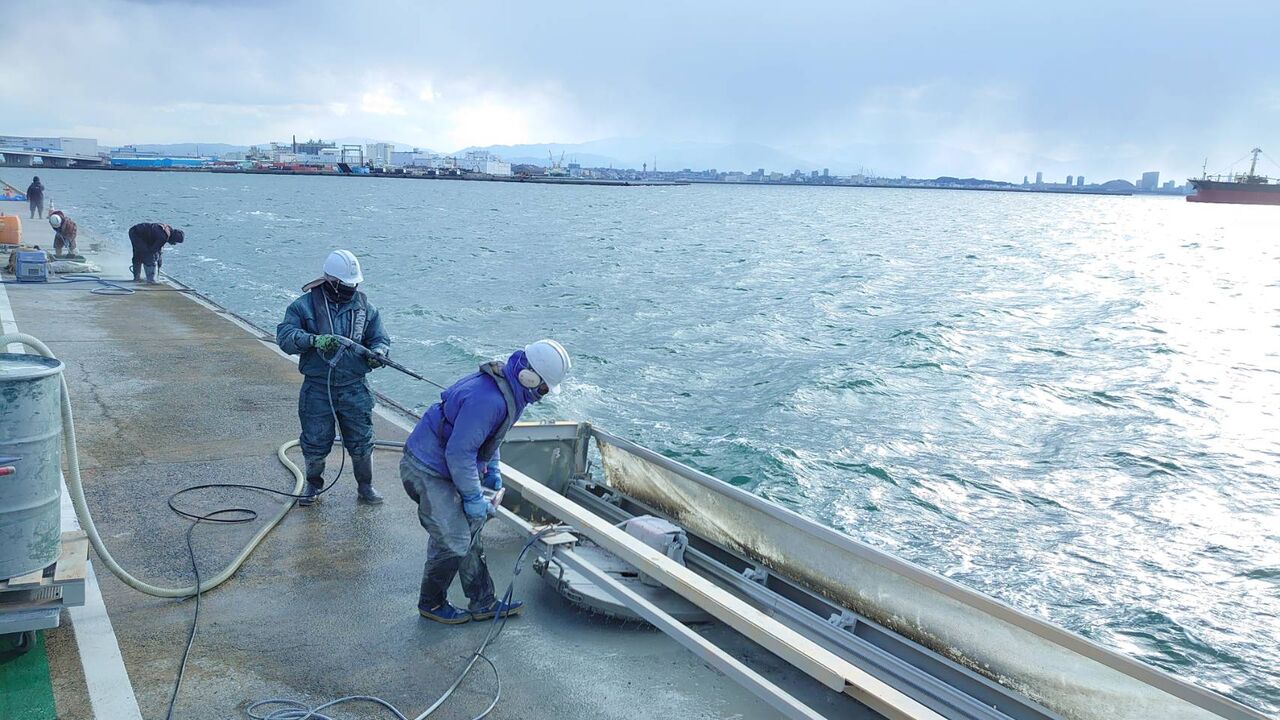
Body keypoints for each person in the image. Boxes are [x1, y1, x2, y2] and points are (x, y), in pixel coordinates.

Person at [402, 339, 571, 624]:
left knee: (469, 531)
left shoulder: (512, 392)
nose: (542, 396)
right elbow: (459, 453)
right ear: (529, 376)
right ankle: (431, 604)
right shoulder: (489, 400)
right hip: (425, 469)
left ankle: (483, 601)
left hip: (446, 467)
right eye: (543, 389)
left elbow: (490, 438)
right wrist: (471, 497)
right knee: (454, 540)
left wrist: (492, 468)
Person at [276, 249, 391, 506]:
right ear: (331, 281)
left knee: (361, 440)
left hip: (355, 387)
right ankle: (313, 484)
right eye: (345, 284)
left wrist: (379, 352)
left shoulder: (366, 309)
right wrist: (312, 340)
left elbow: (380, 338)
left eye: (354, 284)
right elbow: (285, 337)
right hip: (318, 388)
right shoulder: (303, 306)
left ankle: (365, 486)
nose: (351, 289)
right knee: (315, 439)